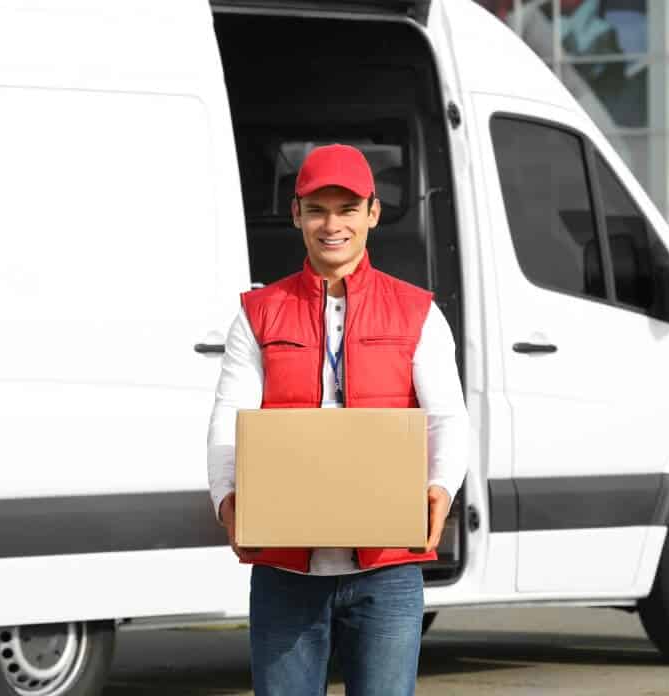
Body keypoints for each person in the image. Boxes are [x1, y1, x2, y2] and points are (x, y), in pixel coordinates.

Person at [207, 143, 468, 696]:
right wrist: (227, 498)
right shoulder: (257, 313)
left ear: (373, 213)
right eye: (317, 210)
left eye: (347, 209)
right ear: (295, 214)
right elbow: (229, 417)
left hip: (386, 574)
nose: (332, 225)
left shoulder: (417, 311)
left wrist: (442, 489)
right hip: (285, 575)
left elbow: (448, 419)